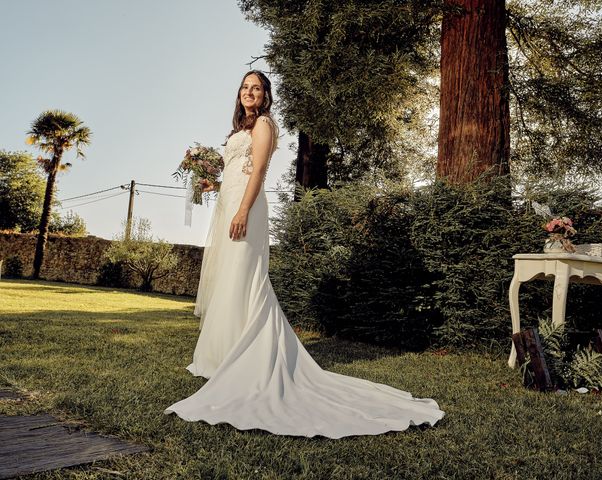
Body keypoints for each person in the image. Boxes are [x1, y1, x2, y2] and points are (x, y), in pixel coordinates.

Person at [164, 70, 444, 438]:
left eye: (257, 88)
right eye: (245, 87)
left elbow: (259, 171)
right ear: (239, 94)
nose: (250, 92)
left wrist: (243, 211)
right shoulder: (237, 131)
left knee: (246, 277)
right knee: (230, 276)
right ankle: (222, 354)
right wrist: (212, 183)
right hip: (231, 199)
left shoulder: (264, 124)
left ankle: (249, 356)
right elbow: (238, 170)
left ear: (265, 96)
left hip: (246, 207)